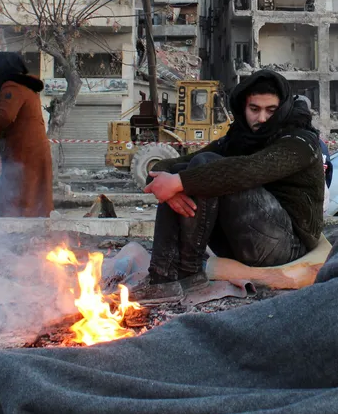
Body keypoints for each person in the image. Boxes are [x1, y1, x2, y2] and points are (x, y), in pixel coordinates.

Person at [134, 70, 326, 303]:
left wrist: (179, 183)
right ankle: (162, 276)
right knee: (187, 169)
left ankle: (189, 273)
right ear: (243, 108)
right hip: (244, 239)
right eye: (254, 109)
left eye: (270, 110)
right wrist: (163, 183)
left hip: (289, 244)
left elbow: (252, 169)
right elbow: (173, 163)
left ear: (283, 108)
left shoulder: (301, 141)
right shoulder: (239, 138)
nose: (262, 118)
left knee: (207, 168)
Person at [0, 53, 53, 218]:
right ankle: (36, 235)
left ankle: (16, 235)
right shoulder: (27, 88)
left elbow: (5, 117)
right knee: (35, 198)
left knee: (16, 196)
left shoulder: (11, 87)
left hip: (22, 152)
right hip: (33, 151)